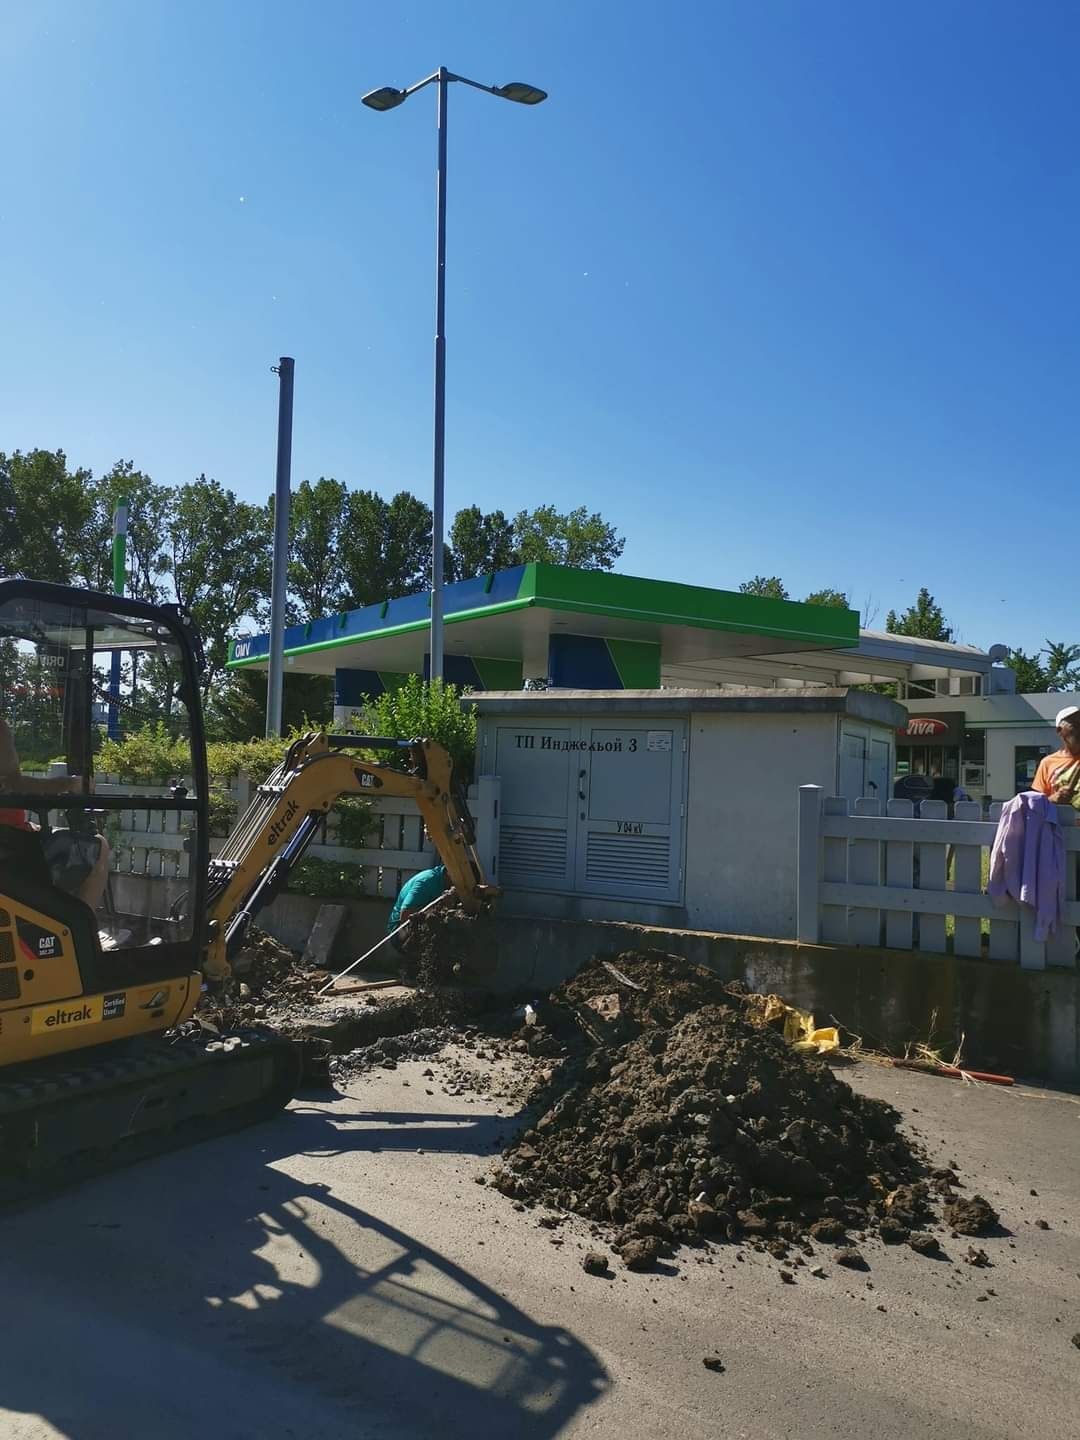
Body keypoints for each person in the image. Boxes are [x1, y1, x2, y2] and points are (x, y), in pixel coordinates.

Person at [0, 714, 111, 910]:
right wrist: (68, 783)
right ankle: (82, 931)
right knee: (99, 846)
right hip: (10, 845)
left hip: (9, 837)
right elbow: (12, 782)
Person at [387, 862, 448, 954]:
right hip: (399, 929)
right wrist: (435, 909)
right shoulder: (428, 881)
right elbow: (405, 915)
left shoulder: (444, 882)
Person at [1032, 706, 1080, 808]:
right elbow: (1036, 805)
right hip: (1062, 823)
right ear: (1059, 731)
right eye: (1076, 725)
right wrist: (1052, 799)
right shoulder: (1047, 763)